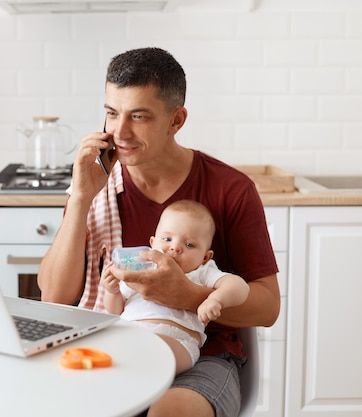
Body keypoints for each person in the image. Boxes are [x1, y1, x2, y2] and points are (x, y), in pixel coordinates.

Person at [37, 47, 280, 417]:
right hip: (116, 344)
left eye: (138, 116)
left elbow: (268, 307)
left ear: (176, 120)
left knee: (170, 411)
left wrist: (189, 295)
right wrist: (82, 197)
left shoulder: (230, 189)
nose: (120, 132)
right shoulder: (95, 184)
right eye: (111, 113)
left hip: (201, 359)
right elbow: (54, 295)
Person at [102, 199, 250, 375]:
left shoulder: (201, 271)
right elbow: (115, 311)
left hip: (178, 342)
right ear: (152, 243)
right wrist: (112, 291)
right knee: (108, 345)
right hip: (131, 335)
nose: (175, 248)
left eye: (189, 245)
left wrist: (215, 299)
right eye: (167, 239)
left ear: (205, 256)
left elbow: (240, 287)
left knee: (155, 349)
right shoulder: (143, 269)